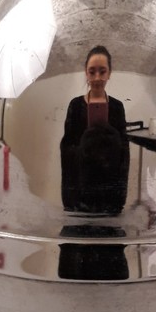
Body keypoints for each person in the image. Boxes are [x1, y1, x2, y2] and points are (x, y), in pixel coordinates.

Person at [60, 46, 130, 214]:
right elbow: (66, 151)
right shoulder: (75, 105)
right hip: (81, 195)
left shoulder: (117, 107)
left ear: (109, 73)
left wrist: (119, 199)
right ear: (86, 73)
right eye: (92, 72)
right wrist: (84, 146)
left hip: (109, 195)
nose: (97, 77)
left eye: (102, 71)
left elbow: (124, 153)